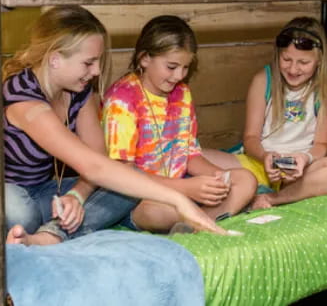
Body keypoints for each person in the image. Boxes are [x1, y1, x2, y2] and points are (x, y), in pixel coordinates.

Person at [0, 6, 226, 246]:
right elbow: (93, 167)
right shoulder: (23, 100)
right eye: (89, 62)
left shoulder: (79, 92)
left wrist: (77, 195)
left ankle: (47, 237)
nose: (96, 71)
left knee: (123, 188)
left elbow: (101, 160)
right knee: (19, 212)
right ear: (55, 58)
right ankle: (47, 229)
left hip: (38, 190)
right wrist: (179, 199)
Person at [101, 15, 257, 233]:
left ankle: (199, 222)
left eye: (185, 67)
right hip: (138, 196)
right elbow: (124, 173)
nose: (179, 75)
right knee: (156, 212)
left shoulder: (182, 93)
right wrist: (186, 188)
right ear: (145, 58)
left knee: (246, 180)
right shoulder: (122, 100)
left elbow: (190, 154)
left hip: (182, 184)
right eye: (172, 66)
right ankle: (205, 220)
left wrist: (217, 178)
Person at [203, 16, 327, 209]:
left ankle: (272, 198)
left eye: (303, 62)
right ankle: (253, 188)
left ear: (319, 60)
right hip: (259, 163)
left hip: (301, 171)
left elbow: (321, 144)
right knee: (191, 156)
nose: (293, 69)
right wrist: (265, 157)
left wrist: (304, 159)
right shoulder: (263, 80)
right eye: (286, 59)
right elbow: (251, 138)